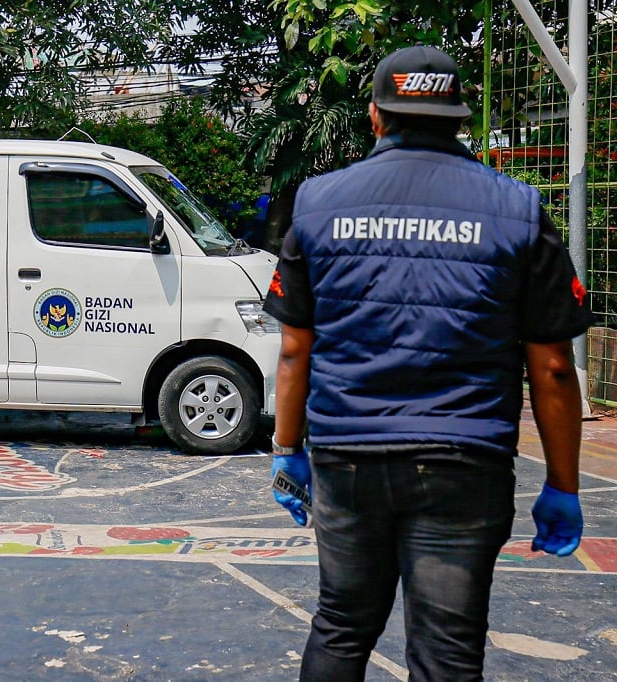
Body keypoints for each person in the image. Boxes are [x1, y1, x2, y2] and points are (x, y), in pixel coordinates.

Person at [262, 45, 593, 681]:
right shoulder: (519, 211)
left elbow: (296, 348)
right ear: (459, 120)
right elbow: (552, 367)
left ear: (375, 117)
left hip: (348, 459)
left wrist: (286, 448)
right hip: (463, 465)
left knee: (341, 624)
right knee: (447, 653)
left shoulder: (318, 203)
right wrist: (563, 484)